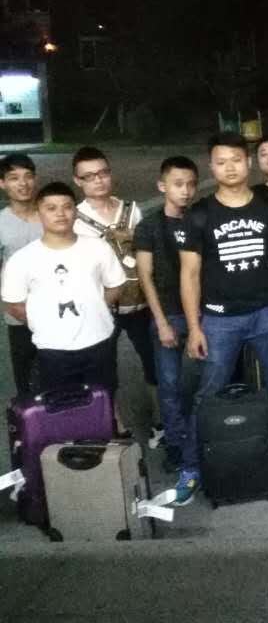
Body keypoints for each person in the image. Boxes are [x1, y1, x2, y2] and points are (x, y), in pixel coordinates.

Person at [178, 132, 268, 488]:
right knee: (208, 393)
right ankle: (192, 465)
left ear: (248, 163)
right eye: (221, 162)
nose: (229, 168)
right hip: (219, 318)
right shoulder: (199, 214)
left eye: (236, 160)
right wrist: (194, 327)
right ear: (212, 167)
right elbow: (190, 274)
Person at [1, 182, 126, 397]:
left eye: (67, 207)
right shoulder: (22, 259)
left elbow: (116, 285)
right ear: (39, 213)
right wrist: (42, 322)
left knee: (103, 403)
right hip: (53, 350)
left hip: (98, 343)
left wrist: (94, 306)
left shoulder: (98, 248)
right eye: (51, 208)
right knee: (62, 409)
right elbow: (14, 304)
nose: (60, 213)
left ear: (75, 212)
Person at [71, 146, 155, 438]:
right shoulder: (75, 218)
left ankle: (160, 421)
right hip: (101, 306)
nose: (98, 180)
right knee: (104, 367)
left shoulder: (131, 210)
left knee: (154, 361)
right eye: (89, 176)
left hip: (141, 301)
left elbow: (146, 251)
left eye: (103, 173)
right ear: (78, 180)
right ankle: (114, 423)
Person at [134, 156, 199, 481]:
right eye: (178, 184)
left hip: (201, 313)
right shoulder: (148, 226)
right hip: (168, 314)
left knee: (207, 380)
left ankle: (205, 436)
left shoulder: (200, 219)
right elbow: (145, 276)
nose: (185, 191)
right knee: (170, 385)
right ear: (162, 186)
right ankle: (175, 443)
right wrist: (160, 322)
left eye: (191, 184)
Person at [0, 154, 42, 397]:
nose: (22, 183)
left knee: (60, 372)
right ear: (2, 183)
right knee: (25, 375)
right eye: (14, 178)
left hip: (56, 309)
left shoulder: (49, 214)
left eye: (27, 176)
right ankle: (29, 419)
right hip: (18, 313)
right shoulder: (2, 222)